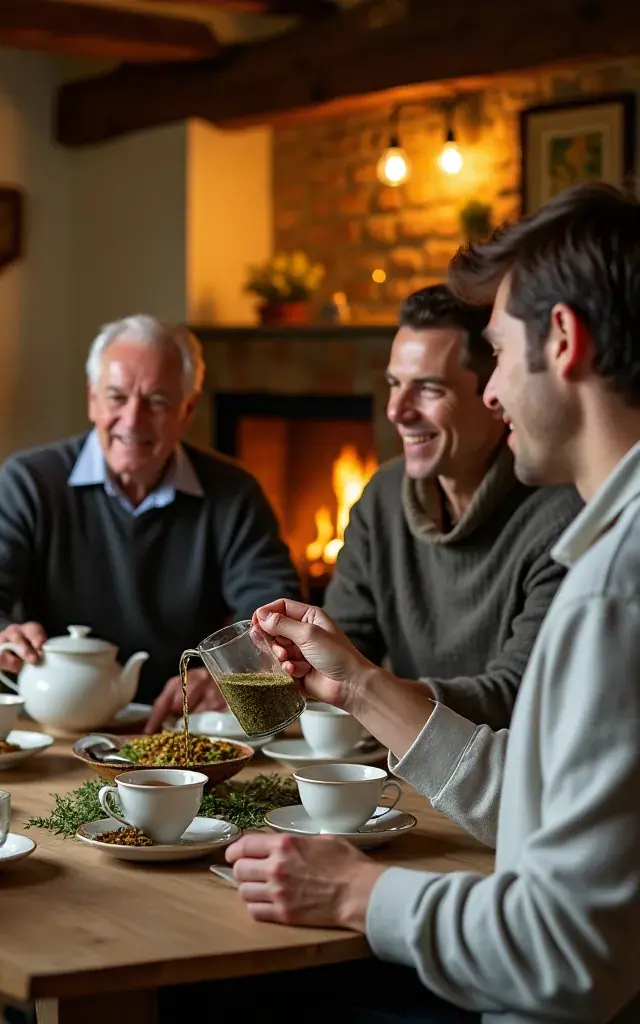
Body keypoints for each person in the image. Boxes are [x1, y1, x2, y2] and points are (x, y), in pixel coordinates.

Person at [219, 183, 640, 1022]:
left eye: (498, 352)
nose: (490, 393)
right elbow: (538, 797)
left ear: (562, 341)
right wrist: (358, 687)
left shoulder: (612, 589)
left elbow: (571, 954)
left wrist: (357, 892)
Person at [0, 314, 300, 727]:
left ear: (188, 409)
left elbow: (275, 608)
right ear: (92, 399)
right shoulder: (30, 482)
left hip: (182, 725)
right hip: (56, 725)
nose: (133, 420)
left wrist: (231, 674)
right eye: (116, 397)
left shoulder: (234, 493)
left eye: (157, 402)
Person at [323, 284, 581, 729]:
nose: (397, 411)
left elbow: (517, 693)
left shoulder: (561, 515)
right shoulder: (382, 496)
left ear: (494, 395)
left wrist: (371, 693)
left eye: (428, 389)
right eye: (394, 384)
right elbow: (345, 648)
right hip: (400, 758)